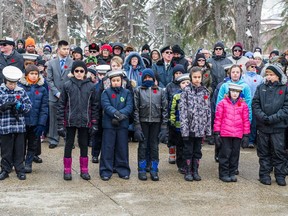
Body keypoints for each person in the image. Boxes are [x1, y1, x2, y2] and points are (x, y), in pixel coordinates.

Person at [57, 60, 99, 181]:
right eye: (77, 71)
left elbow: (94, 106)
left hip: (85, 121)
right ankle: (67, 170)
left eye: (82, 71)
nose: (79, 73)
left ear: (85, 72)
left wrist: (94, 122)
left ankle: (84, 170)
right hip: (70, 121)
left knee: (84, 145)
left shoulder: (91, 86)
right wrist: (60, 123)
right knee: (69, 144)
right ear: (73, 72)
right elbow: (61, 105)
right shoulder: (67, 85)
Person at [253, 64, 288, 186]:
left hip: (278, 127)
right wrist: (263, 117)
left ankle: (280, 175)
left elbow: (286, 108)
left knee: (279, 152)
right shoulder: (261, 88)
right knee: (264, 152)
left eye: (271, 75)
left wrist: (273, 118)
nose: (269, 77)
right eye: (267, 74)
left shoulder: (284, 89)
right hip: (263, 126)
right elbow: (255, 104)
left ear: (278, 76)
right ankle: (264, 175)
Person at [134, 69, 168, 181]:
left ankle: (154, 169)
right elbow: (135, 109)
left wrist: (164, 127)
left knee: (154, 146)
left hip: (156, 122)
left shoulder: (160, 91)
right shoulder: (138, 91)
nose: (148, 79)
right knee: (143, 145)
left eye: (150, 77)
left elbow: (165, 109)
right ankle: (142, 169)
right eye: (145, 77)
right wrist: (137, 126)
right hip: (143, 122)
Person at [100, 70, 133, 181]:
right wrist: (116, 114)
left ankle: (123, 170)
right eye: (113, 80)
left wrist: (121, 115)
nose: (116, 82)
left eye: (118, 80)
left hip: (122, 124)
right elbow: (106, 105)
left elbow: (129, 106)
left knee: (122, 148)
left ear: (122, 81)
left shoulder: (127, 93)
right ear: (110, 82)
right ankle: (106, 170)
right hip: (109, 124)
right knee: (107, 148)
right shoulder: (106, 93)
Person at [179, 66, 211, 181]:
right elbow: (182, 112)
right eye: (194, 77)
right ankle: (188, 170)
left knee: (197, 150)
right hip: (190, 127)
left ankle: (195, 170)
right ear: (191, 78)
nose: (197, 79)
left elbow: (208, 111)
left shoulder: (205, 92)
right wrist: (184, 129)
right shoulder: (186, 92)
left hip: (200, 128)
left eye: (199, 77)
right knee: (188, 150)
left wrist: (208, 129)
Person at [0, 66, 32, 180]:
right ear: (5, 81)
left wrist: (20, 107)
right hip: (5, 125)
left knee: (19, 149)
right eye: (10, 83)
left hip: (19, 126)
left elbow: (29, 106)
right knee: (6, 149)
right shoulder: (1, 91)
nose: (12, 86)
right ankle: (5, 169)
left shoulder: (21, 91)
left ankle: (20, 170)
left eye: (14, 84)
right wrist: (2, 107)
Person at [214, 83, 250, 182]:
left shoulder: (243, 105)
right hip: (225, 133)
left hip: (237, 134)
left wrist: (246, 135)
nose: (234, 94)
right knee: (225, 154)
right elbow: (218, 118)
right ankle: (223, 173)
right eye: (233, 91)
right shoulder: (222, 103)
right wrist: (216, 133)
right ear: (229, 92)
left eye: (237, 92)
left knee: (235, 154)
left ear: (240, 93)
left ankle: (232, 172)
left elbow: (246, 120)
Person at [18, 64, 48, 173]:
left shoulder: (42, 89)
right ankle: (19, 162)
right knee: (21, 145)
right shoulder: (20, 87)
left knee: (33, 144)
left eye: (36, 74)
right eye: (32, 74)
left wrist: (41, 123)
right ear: (26, 75)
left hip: (35, 123)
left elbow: (44, 108)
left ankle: (28, 163)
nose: (34, 76)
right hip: (22, 122)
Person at [46, 40, 73, 149]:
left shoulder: (72, 62)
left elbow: (74, 78)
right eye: (64, 49)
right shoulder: (51, 63)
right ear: (58, 49)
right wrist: (56, 92)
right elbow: (49, 80)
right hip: (54, 96)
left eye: (68, 49)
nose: (66, 51)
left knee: (67, 117)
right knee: (53, 118)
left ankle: (68, 139)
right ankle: (53, 139)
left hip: (68, 96)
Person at [169, 73, 191, 174]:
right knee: (180, 146)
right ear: (179, 85)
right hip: (179, 126)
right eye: (183, 83)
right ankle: (180, 164)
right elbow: (172, 110)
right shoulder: (176, 96)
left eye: (187, 82)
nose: (186, 84)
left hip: (190, 126)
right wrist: (172, 122)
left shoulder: (192, 95)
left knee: (188, 146)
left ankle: (187, 164)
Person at [165, 64, 185, 164]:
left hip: (182, 117)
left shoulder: (186, 85)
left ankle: (180, 156)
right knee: (172, 137)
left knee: (181, 138)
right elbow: (166, 99)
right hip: (172, 114)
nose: (178, 75)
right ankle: (172, 154)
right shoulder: (169, 86)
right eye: (176, 73)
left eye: (180, 73)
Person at [242, 60, 263, 148]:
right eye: (252, 66)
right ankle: (243, 139)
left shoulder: (260, 78)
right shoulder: (243, 77)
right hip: (245, 103)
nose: (254, 68)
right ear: (247, 67)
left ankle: (251, 140)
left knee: (254, 123)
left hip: (255, 103)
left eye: (255, 66)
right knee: (244, 121)